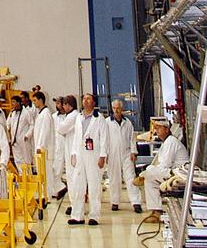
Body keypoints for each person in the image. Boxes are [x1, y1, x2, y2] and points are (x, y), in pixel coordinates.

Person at [68, 93, 108, 225]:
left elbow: (104, 138)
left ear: (94, 102)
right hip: (80, 155)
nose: (85, 101)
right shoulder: (79, 118)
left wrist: (103, 156)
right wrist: (73, 153)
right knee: (78, 185)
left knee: (94, 186)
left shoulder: (99, 119)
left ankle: (94, 216)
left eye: (88, 98)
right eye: (84, 99)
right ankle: (77, 215)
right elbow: (76, 138)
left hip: (94, 156)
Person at [142, 119, 189, 222]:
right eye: (155, 128)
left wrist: (148, 172)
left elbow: (165, 165)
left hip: (180, 173)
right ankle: (155, 211)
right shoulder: (166, 142)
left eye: (159, 128)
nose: (156, 131)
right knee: (149, 174)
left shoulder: (171, 141)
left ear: (167, 129)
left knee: (149, 173)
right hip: (173, 171)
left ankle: (156, 212)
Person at [107, 99, 142, 213]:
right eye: (114, 108)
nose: (116, 110)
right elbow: (104, 139)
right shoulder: (107, 122)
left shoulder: (127, 123)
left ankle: (136, 202)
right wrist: (104, 154)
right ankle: (115, 202)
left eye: (118, 108)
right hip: (112, 154)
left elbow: (132, 138)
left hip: (126, 154)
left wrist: (133, 151)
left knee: (130, 177)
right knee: (114, 178)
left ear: (122, 109)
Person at [32, 90, 60, 196]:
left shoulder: (46, 114)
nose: (33, 103)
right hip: (41, 150)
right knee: (43, 173)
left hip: (44, 150)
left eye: (35, 100)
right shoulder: (41, 113)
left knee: (46, 173)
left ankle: (47, 194)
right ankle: (45, 192)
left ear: (40, 100)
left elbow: (45, 131)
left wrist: (40, 146)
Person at [55, 95, 79, 203]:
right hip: (70, 148)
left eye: (64, 104)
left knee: (73, 177)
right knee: (71, 177)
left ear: (68, 105)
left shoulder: (73, 116)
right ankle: (74, 203)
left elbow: (60, 128)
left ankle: (75, 203)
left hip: (74, 150)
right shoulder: (71, 115)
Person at [6, 95, 34, 171]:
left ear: (19, 103)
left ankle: (29, 176)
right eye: (12, 102)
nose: (12, 104)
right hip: (14, 141)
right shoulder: (12, 113)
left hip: (23, 139)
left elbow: (32, 124)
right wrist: (8, 137)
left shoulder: (26, 113)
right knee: (17, 159)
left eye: (14, 102)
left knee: (26, 158)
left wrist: (27, 135)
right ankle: (21, 175)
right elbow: (7, 125)